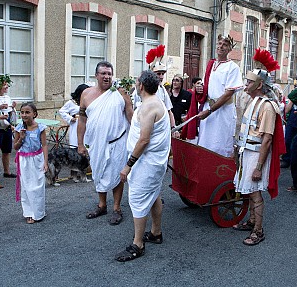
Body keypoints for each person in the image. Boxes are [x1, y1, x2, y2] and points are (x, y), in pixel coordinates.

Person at [115, 70, 171, 262]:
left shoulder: (150, 107)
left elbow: (144, 140)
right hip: (150, 163)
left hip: (146, 164)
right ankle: (156, 233)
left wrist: (128, 166)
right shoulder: (150, 103)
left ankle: (138, 244)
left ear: (141, 86)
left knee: (138, 201)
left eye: (136, 82)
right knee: (154, 195)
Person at [232, 50, 285, 246]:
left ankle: (258, 230)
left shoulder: (268, 106)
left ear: (259, 85)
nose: (245, 85)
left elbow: (267, 140)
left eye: (248, 82)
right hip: (246, 152)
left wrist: (259, 167)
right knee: (247, 190)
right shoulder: (254, 101)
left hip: (256, 155)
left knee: (254, 192)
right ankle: (252, 221)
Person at [77, 61, 133, 225]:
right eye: (103, 73)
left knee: (117, 175)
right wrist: (80, 144)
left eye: (109, 73)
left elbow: (132, 118)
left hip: (118, 142)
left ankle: (116, 208)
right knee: (99, 172)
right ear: (96, 75)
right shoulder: (86, 94)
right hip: (96, 144)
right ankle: (102, 205)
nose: (107, 76)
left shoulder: (121, 93)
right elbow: (81, 120)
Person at [196, 34, 243, 157]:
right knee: (205, 143)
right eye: (219, 44)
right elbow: (206, 85)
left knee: (219, 144)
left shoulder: (233, 68)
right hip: (208, 107)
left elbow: (228, 94)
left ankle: (220, 172)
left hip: (222, 112)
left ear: (229, 49)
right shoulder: (211, 64)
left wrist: (210, 110)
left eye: (225, 45)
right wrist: (200, 88)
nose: (221, 47)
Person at [14, 103, 48, 224]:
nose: (24, 115)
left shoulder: (40, 128)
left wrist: (45, 162)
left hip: (37, 158)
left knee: (38, 186)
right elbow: (16, 147)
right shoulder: (19, 128)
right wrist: (21, 138)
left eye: (27, 112)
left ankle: (38, 212)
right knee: (26, 186)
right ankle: (29, 212)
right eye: (22, 112)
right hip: (24, 160)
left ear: (34, 114)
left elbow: (44, 145)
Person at [0, 75, 17, 179]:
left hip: (8, 125)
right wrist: (0, 107)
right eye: (4, 85)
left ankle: (7, 171)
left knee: (7, 150)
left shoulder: (7, 97)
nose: (7, 87)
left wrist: (12, 107)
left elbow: (10, 111)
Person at [280, 85, 297, 168]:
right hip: (291, 123)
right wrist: (292, 101)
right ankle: (286, 159)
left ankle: (295, 161)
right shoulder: (292, 101)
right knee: (287, 141)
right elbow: (286, 110)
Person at [180, 77, 203, 143]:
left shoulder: (200, 95)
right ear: (193, 84)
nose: (199, 85)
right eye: (198, 83)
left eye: (201, 84)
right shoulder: (189, 93)